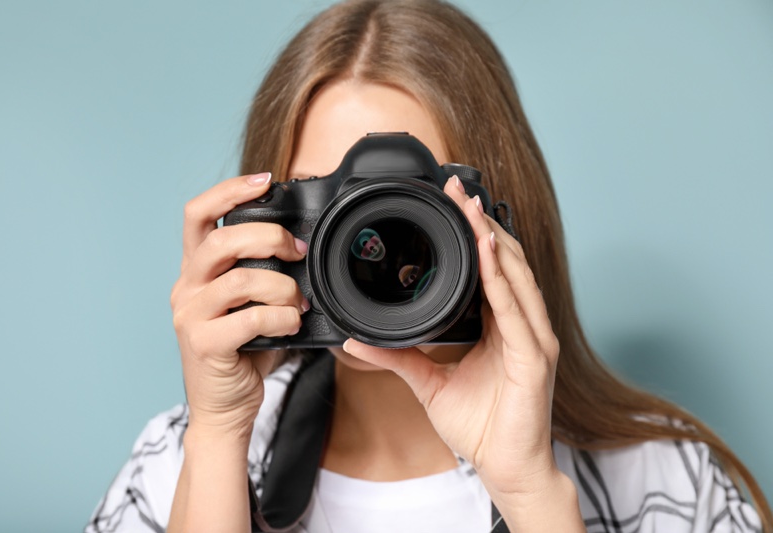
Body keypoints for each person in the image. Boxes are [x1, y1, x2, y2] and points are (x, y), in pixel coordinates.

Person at [86, 1, 771, 531]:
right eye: (333, 208)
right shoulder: (184, 460)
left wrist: (533, 491)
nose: (366, 246)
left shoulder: (660, 477)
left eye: (403, 208)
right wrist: (217, 440)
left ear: (496, 214)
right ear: (272, 220)